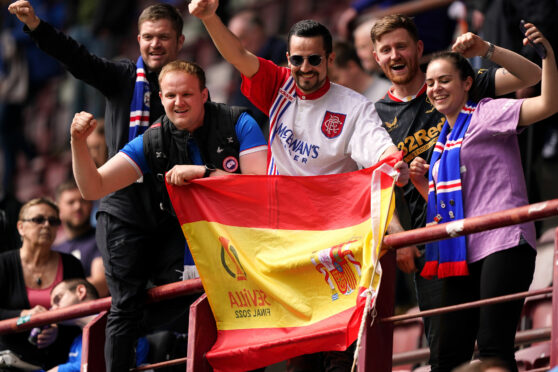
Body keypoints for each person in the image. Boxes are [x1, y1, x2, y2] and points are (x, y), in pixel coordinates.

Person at [189, 1, 409, 370]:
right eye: (297, 60)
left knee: (339, 350)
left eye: (313, 60)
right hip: (285, 239)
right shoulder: (277, 86)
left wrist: (393, 159)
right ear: (288, 59)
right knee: (301, 359)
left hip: (335, 242)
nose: (304, 69)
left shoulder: (354, 107)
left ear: (330, 59)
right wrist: (209, 17)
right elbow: (238, 54)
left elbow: (378, 152)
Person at [7, 2, 188, 370]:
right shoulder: (122, 77)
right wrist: (36, 25)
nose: (155, 45)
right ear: (138, 40)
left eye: (164, 38)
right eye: (149, 37)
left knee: (185, 293)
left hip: (172, 210)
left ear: (180, 41)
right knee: (124, 305)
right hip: (123, 208)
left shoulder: (190, 87)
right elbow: (78, 58)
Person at [369, 13, 542, 371]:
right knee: (446, 356)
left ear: (418, 48)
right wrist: (396, 229)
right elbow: (374, 180)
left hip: (485, 232)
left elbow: (532, 77)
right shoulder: (373, 116)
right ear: (376, 58)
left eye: (401, 45)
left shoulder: (461, 82)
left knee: (493, 347)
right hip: (436, 245)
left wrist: (488, 50)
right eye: (385, 49)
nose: (395, 55)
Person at [407, 24, 556, 372]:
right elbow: (449, 207)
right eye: (430, 83)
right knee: (450, 356)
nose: (435, 88)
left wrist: (537, 52)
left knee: (493, 347)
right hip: (462, 250)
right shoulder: (441, 144)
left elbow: (549, 103)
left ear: (467, 83)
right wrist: (419, 183)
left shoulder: (488, 112)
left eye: (444, 80)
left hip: (503, 242)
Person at [71, 59, 267, 202]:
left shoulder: (239, 123)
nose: (179, 102)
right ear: (161, 98)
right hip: (193, 244)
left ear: (204, 95)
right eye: (171, 95)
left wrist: (204, 174)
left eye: (187, 94)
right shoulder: (154, 140)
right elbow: (93, 188)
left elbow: (260, 189)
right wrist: (77, 142)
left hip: (248, 234)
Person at [0, 198, 84, 370]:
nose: (47, 225)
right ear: (20, 227)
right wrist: (26, 315)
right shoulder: (3, 264)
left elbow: (84, 313)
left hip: (61, 362)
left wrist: (57, 330)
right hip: (9, 362)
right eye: (38, 220)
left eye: (53, 221)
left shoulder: (71, 264)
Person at [47, 278, 148, 372]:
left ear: (81, 292)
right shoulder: (77, 340)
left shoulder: (118, 327)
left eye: (58, 300)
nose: (52, 310)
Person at [52, 180, 108, 297]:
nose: (77, 206)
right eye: (71, 202)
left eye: (83, 201)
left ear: (91, 204)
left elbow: (101, 285)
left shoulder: (102, 237)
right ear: (58, 209)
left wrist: (59, 292)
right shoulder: (55, 249)